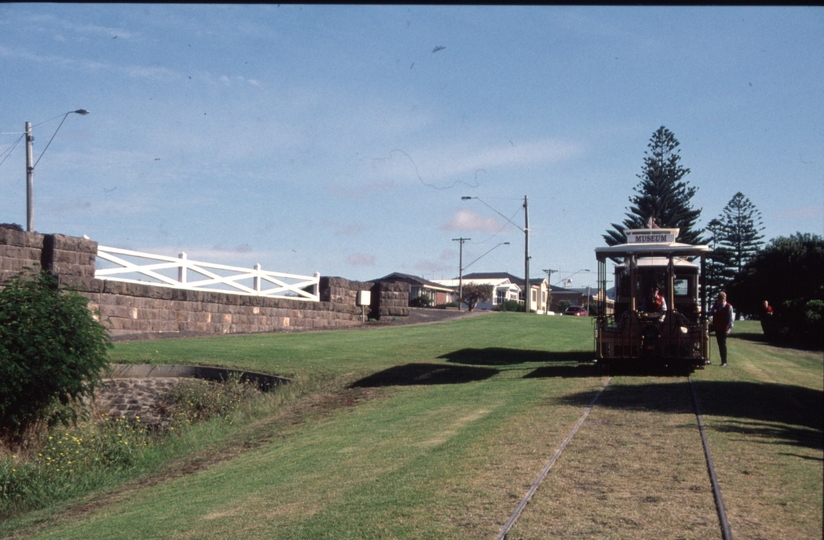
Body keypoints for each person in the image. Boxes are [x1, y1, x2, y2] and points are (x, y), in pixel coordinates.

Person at [711, 292, 735, 366]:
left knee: (722, 344)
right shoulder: (716, 306)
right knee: (719, 343)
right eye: (720, 299)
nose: (722, 301)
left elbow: (731, 320)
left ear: (725, 299)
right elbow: (711, 312)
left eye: (723, 299)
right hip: (716, 327)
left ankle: (724, 361)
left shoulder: (729, 307)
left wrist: (728, 330)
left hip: (724, 328)